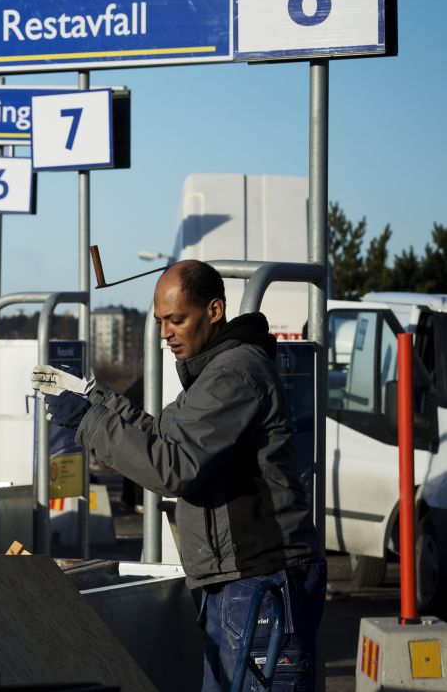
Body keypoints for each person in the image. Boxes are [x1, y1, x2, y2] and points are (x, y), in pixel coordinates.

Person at [31, 260, 325, 691]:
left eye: (177, 319)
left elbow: (175, 467)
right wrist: (96, 400)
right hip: (239, 582)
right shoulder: (214, 373)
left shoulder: (234, 374)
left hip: (260, 579)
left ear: (215, 310)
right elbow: (166, 438)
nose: (165, 333)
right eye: (160, 321)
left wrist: (90, 424)